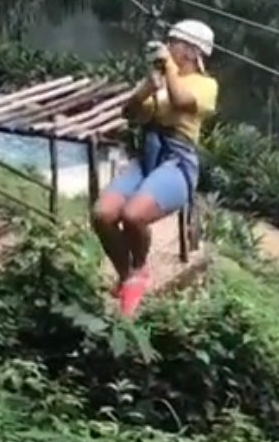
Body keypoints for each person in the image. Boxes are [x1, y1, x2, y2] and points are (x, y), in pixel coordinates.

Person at [92, 18, 218, 317]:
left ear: (190, 50)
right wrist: (147, 87)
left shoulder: (205, 85)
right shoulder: (160, 80)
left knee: (134, 215)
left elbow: (182, 101)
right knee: (103, 214)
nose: (169, 48)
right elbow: (130, 112)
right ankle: (126, 276)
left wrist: (168, 72)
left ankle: (139, 268)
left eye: (174, 43)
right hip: (148, 155)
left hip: (178, 160)